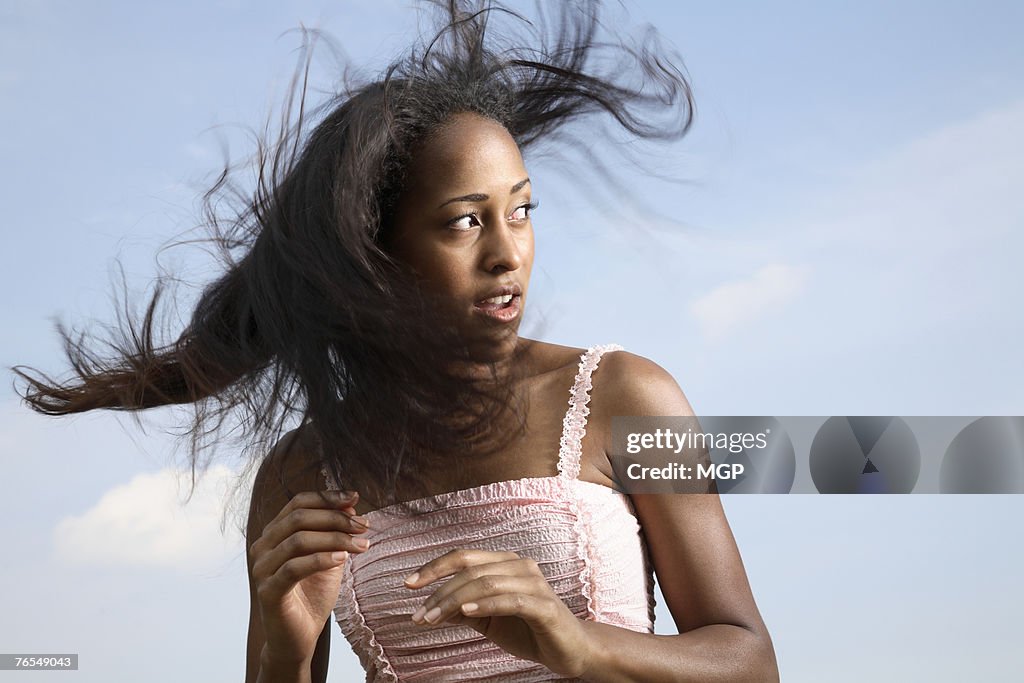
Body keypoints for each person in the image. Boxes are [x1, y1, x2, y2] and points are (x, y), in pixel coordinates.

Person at [15, 1, 778, 681]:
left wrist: (577, 646)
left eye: (521, 209)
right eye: (464, 221)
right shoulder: (303, 472)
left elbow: (750, 660)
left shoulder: (627, 394)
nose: (508, 252)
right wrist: (283, 650)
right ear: (376, 254)